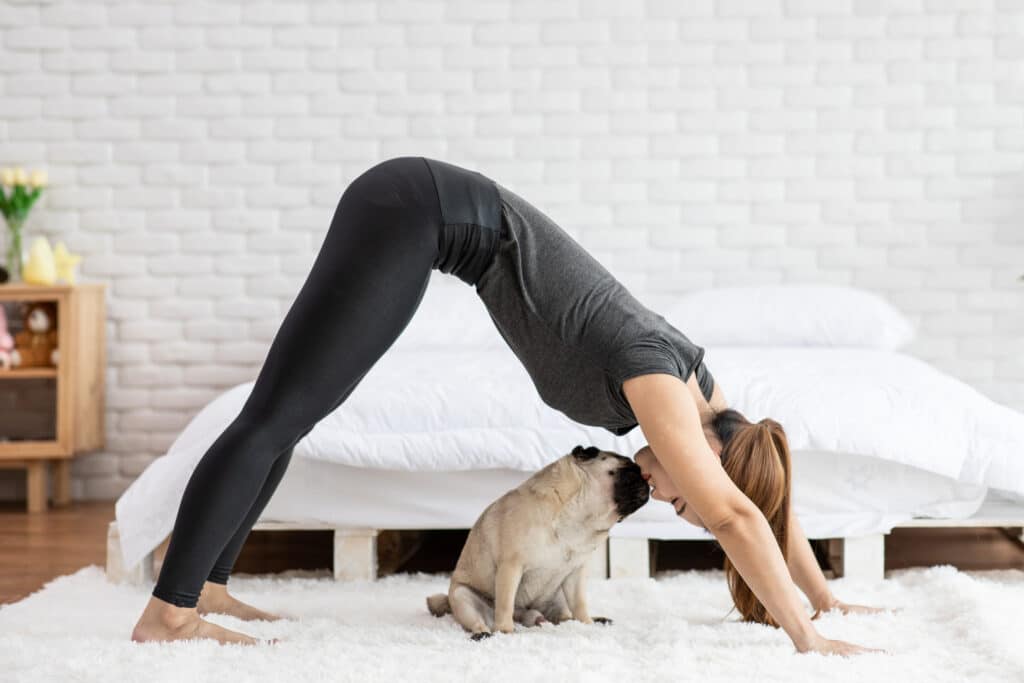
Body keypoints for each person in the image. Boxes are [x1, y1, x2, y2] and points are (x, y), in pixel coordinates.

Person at [131, 156, 884, 654]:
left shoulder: (710, 394)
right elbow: (738, 514)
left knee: (291, 412)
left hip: (420, 212)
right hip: (412, 209)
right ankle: (169, 612)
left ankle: (212, 586)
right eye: (687, 496)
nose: (671, 496)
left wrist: (825, 598)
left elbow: (763, 500)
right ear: (712, 451)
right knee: (275, 413)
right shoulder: (665, 385)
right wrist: (804, 640)